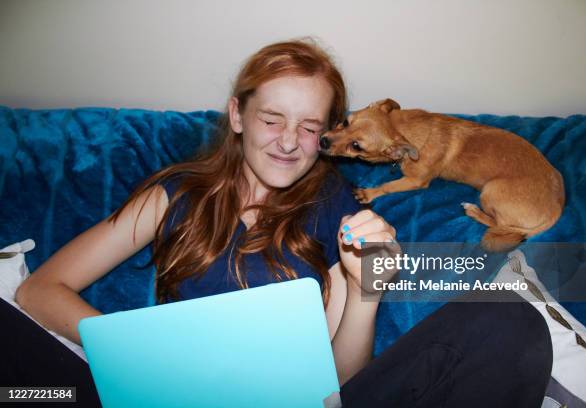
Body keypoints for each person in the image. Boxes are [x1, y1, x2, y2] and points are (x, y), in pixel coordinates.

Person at [1, 38, 552, 407]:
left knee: (507, 323)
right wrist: (135, 353)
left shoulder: (340, 205)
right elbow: (40, 289)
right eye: (272, 119)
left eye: (310, 127)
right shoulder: (175, 194)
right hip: (170, 394)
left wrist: (364, 293)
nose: (289, 142)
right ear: (238, 115)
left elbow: (342, 382)